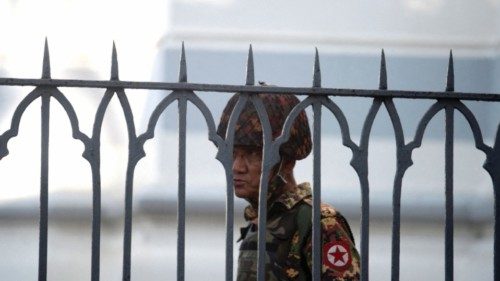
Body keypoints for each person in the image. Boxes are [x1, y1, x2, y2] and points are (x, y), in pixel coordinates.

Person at [216, 92, 361, 281]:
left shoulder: (320, 222)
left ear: (287, 162)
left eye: (253, 155)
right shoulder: (261, 219)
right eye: (233, 154)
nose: (237, 167)